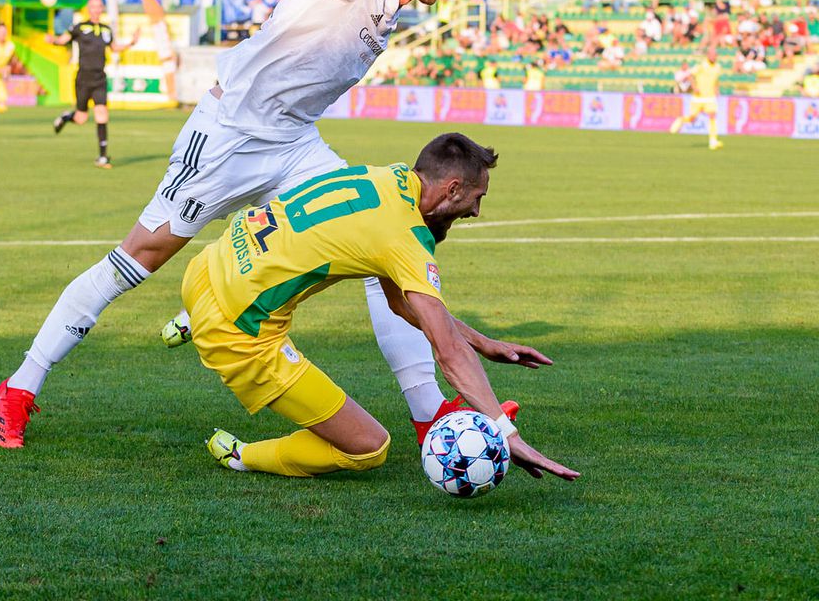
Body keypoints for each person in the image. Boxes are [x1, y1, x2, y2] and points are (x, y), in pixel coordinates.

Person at [0, 0, 494, 454]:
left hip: (294, 143)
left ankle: (429, 416)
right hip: (231, 133)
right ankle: (18, 389)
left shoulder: (394, 4)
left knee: (386, 246)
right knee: (137, 259)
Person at [193, 134, 579, 482]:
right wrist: (505, 433)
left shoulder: (388, 180)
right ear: (454, 188)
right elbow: (449, 353)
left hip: (206, 270)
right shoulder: (405, 236)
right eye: (477, 198)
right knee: (368, 446)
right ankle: (242, 456)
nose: (476, 212)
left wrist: (482, 340)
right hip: (238, 330)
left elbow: (399, 303)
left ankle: (190, 321)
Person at [46, 0, 141, 169]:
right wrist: (52, 39)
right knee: (81, 118)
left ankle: (103, 157)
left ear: (102, 8)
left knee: (102, 114)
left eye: (99, 6)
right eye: (93, 6)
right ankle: (66, 117)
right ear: (89, 9)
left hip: (99, 78)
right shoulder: (80, 27)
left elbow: (114, 47)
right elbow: (63, 40)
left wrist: (131, 43)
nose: (96, 9)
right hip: (83, 78)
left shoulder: (106, 30)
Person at [669, 42, 724, 150]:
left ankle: (713, 141)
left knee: (712, 116)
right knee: (692, 118)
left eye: (715, 55)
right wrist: (694, 87)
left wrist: (717, 90)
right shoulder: (701, 65)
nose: (714, 57)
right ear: (708, 55)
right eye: (712, 55)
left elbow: (716, 80)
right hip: (698, 98)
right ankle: (681, 120)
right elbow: (690, 75)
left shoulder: (718, 67)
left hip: (710, 97)